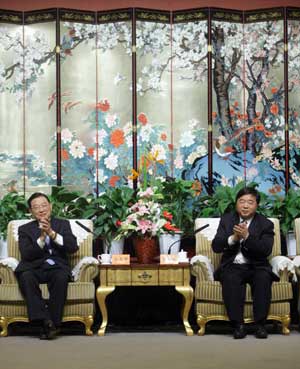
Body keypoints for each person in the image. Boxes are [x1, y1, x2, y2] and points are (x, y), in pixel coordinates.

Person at [212, 187, 278, 339]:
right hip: (233, 265)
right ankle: (238, 325)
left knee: (263, 278)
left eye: (250, 202)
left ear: (256, 205)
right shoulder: (227, 220)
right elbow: (216, 246)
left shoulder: (266, 224)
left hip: (257, 265)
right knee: (231, 277)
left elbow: (265, 250)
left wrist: (247, 236)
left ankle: (260, 325)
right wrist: (233, 238)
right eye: (241, 201)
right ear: (236, 203)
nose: (245, 205)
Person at [15, 192, 78, 339]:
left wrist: (51, 233)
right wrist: (42, 238)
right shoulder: (24, 229)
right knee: (26, 277)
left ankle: (50, 324)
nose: (41, 209)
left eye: (44, 205)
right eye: (36, 207)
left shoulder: (63, 224)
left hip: (57, 266)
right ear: (31, 211)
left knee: (61, 276)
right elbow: (26, 255)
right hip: (33, 267)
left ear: (50, 206)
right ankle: (48, 322)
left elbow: (72, 247)